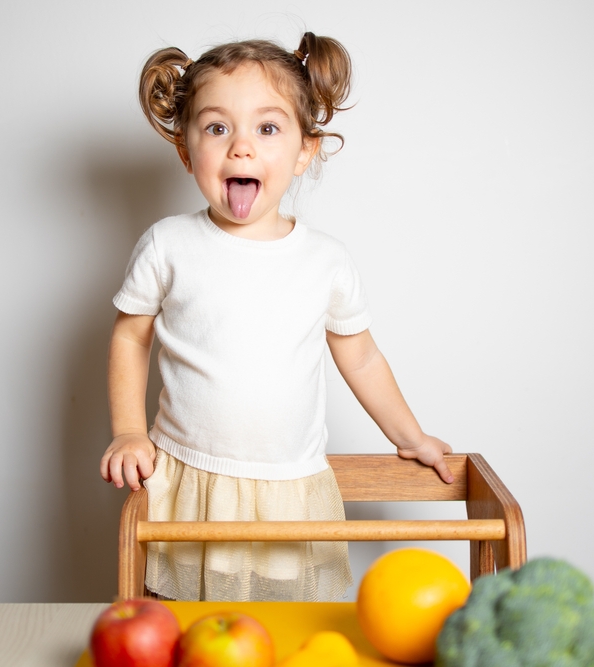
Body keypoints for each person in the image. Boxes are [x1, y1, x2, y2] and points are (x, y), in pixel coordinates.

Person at [100, 32, 453, 602]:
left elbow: (360, 356)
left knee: (285, 629)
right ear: (186, 151)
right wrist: (128, 432)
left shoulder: (326, 261)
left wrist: (411, 436)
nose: (241, 147)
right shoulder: (168, 245)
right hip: (190, 478)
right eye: (217, 128)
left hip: (289, 485)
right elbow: (130, 338)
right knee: (181, 621)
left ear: (304, 149)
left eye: (267, 128)